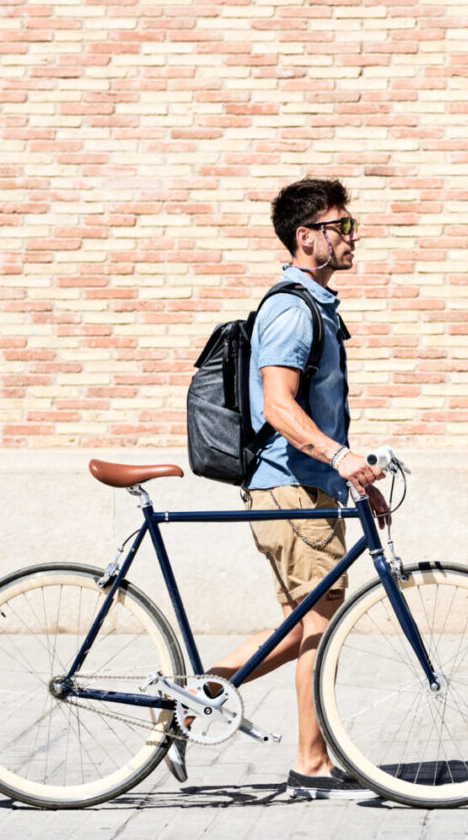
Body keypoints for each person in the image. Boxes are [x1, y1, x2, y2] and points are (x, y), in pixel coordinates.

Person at [167, 177, 390, 798]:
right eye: (340, 226)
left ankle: (191, 698)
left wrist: (352, 479)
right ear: (306, 236)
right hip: (290, 490)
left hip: (306, 488)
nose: (351, 236)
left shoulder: (314, 306)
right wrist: (341, 457)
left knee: (298, 628)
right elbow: (279, 405)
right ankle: (311, 767)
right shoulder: (292, 308)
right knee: (320, 625)